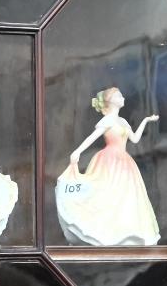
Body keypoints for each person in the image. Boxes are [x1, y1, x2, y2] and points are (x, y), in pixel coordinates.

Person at [56, 87, 160, 247]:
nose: (123, 97)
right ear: (111, 101)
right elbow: (92, 137)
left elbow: (135, 139)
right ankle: (100, 233)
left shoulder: (123, 121)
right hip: (109, 161)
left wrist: (145, 121)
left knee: (124, 198)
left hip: (125, 163)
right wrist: (77, 151)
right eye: (119, 96)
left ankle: (122, 234)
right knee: (105, 194)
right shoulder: (108, 121)